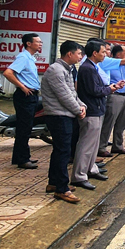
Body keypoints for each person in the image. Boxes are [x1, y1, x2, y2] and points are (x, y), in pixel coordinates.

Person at [72, 41, 125, 190]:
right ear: (95, 53)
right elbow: (94, 91)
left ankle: (91, 169)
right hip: (91, 110)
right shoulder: (87, 69)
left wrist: (112, 87)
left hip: (97, 109)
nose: (106, 54)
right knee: (86, 145)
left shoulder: (93, 67)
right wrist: (110, 89)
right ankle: (79, 175)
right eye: (103, 52)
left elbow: (98, 88)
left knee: (93, 144)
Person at [40, 41, 86, 204]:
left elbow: (72, 92)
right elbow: (64, 95)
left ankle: (54, 183)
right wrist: (77, 110)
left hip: (66, 114)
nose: (80, 57)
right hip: (58, 116)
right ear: (69, 54)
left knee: (61, 150)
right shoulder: (56, 70)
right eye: (79, 53)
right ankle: (61, 189)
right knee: (63, 152)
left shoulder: (67, 69)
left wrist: (81, 105)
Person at [2, 33, 43, 169]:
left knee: (26, 127)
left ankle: (23, 156)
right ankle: (22, 160)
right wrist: (23, 87)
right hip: (25, 96)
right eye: (37, 42)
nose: (40, 44)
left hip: (31, 95)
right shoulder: (23, 57)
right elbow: (8, 73)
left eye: (41, 42)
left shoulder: (30, 58)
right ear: (28, 44)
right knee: (24, 129)